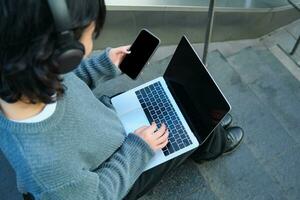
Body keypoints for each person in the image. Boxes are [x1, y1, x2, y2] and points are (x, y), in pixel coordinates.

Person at [0, 1, 244, 200]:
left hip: (103, 124)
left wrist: (103, 65)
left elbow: (67, 82)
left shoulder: (17, 71)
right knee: (193, 124)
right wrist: (138, 149)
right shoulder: (48, 170)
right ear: (64, 55)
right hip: (112, 168)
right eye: (91, 33)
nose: (92, 40)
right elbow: (99, 195)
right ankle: (211, 146)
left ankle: (211, 133)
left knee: (178, 104)